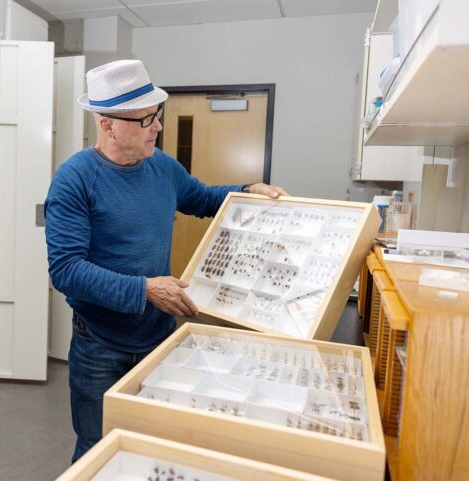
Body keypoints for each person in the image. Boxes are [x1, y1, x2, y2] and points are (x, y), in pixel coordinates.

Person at [44, 59, 288, 462]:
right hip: (99, 345)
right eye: (146, 120)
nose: (158, 126)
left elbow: (203, 198)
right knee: (97, 448)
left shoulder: (162, 168)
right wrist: (145, 289)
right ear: (107, 124)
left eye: (157, 115)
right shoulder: (75, 180)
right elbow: (67, 270)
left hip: (159, 338)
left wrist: (249, 190)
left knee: (154, 445)